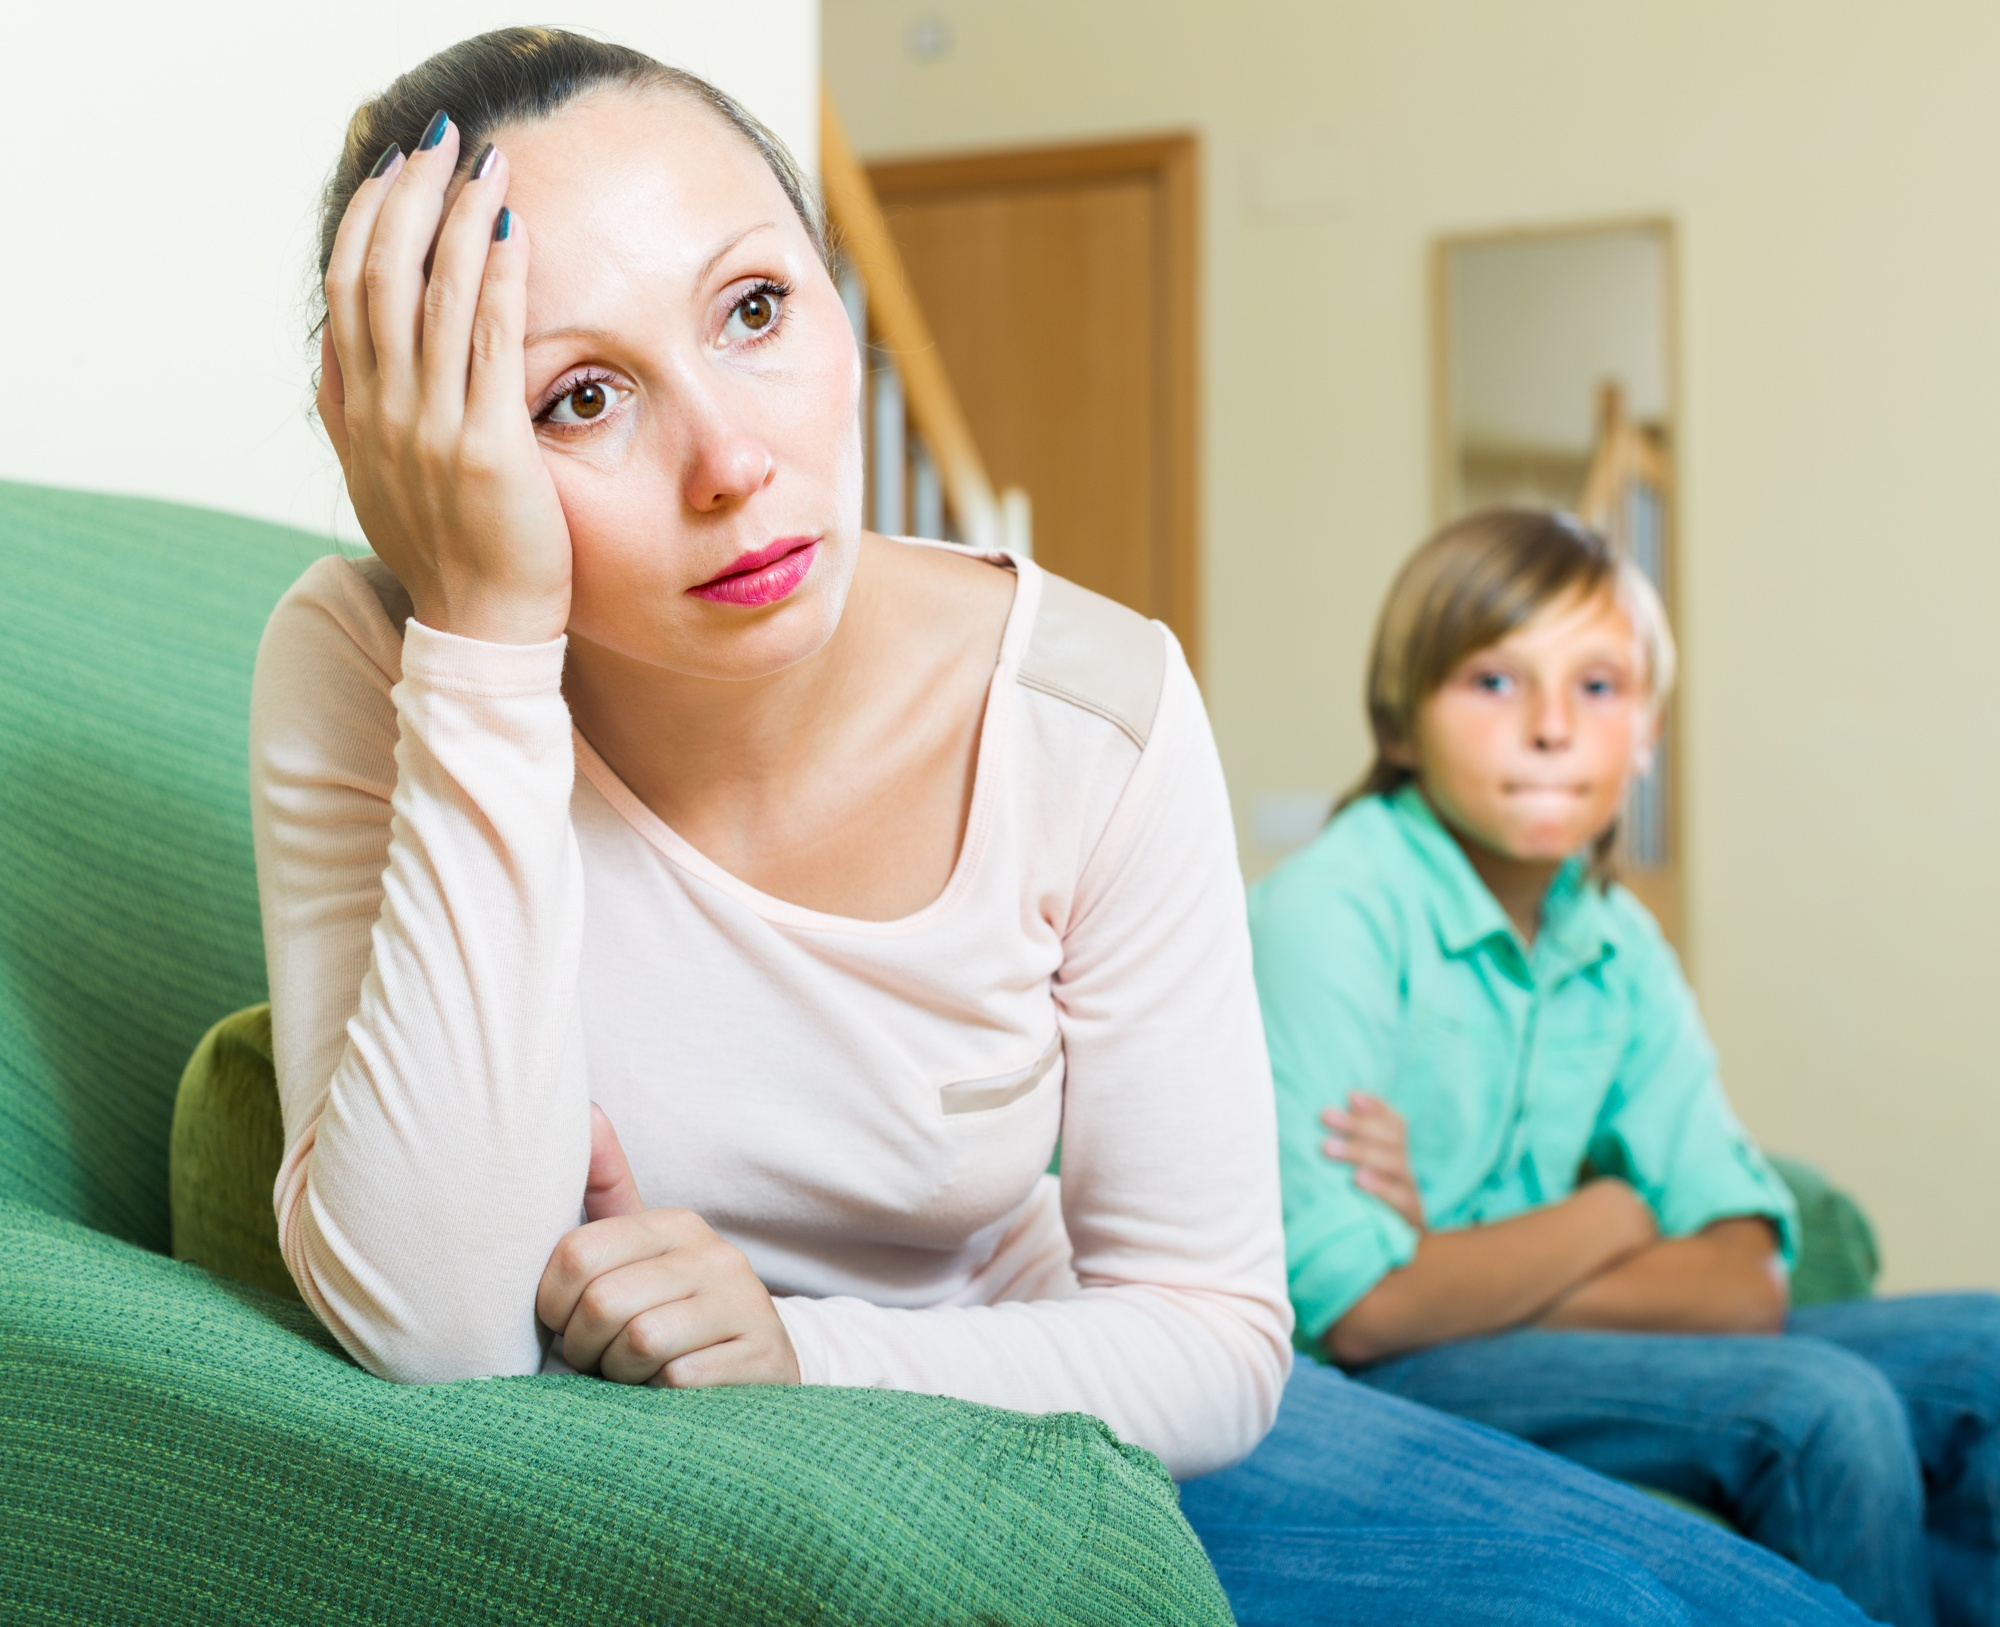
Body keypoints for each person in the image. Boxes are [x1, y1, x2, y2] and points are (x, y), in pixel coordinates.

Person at [257, 29, 1874, 1623]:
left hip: (1076, 1414)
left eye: (755, 309)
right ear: (422, 454)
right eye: (580, 398)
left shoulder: (1096, 709)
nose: (736, 461)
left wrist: (795, 1344)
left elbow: (1216, 1338)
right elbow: (437, 1324)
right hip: (786, 1514)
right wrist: (483, 646)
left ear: (836, 293)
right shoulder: (377, 667)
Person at [1250, 506, 2000, 1627]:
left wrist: (1451, 1260)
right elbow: (1359, 1310)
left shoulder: (1613, 938)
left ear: (1645, 731)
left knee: (1982, 1351)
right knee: (1820, 1410)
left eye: (1596, 687)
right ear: (1399, 721)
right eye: (1494, 682)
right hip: (1362, 1381)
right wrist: (1611, 1212)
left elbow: (1745, 1273)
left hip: (1500, 1332)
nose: (1551, 727)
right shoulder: (1330, 912)